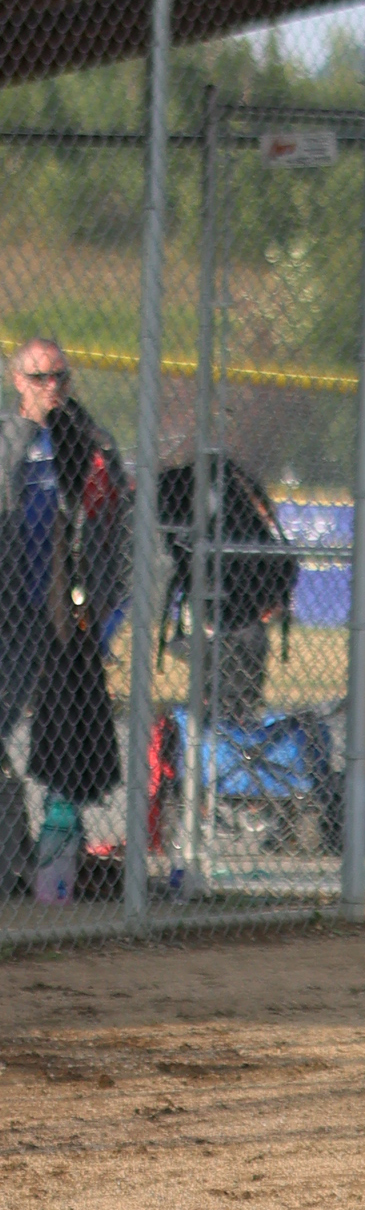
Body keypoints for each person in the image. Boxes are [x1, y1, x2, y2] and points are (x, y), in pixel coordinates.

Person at [0, 337, 128, 868]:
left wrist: (103, 606)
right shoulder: (8, 437)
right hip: (12, 604)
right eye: (39, 378)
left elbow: (113, 526)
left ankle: (49, 855)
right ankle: (14, 846)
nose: (52, 387)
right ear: (16, 382)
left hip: (65, 611)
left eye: (60, 377)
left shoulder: (92, 442)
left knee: (62, 727)